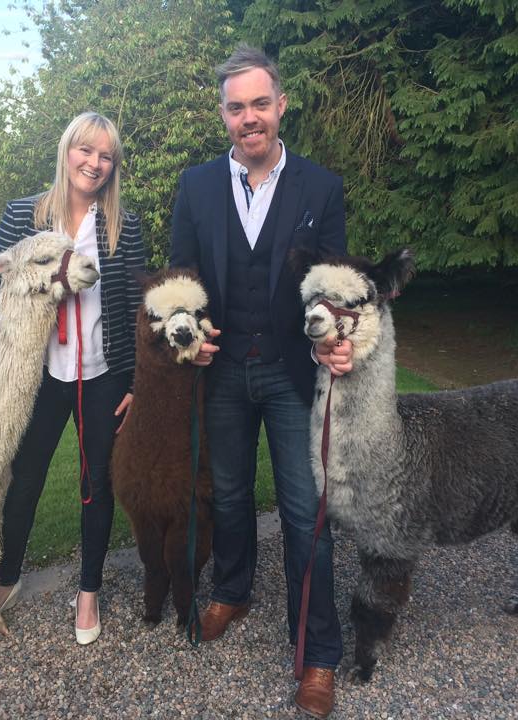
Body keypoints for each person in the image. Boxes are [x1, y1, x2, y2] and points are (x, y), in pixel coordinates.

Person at [169, 46, 353, 718]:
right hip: (220, 371)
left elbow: (334, 284)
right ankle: (232, 589)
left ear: (281, 106)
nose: (249, 117)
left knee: (306, 514)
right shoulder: (195, 187)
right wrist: (188, 331)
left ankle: (319, 651)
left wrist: (338, 336)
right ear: (223, 114)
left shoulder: (320, 187)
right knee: (228, 494)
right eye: (236, 107)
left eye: (259, 104)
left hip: (290, 373)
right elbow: (181, 279)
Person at [0, 111, 146, 645]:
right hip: (40, 375)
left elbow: (139, 309)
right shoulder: (24, 215)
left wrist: (136, 385)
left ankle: (89, 591)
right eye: (85, 150)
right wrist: (36, 294)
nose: (94, 163)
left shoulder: (123, 226)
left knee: (97, 482)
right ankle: (6, 578)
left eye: (106, 156)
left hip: (103, 375)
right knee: (24, 477)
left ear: (113, 165)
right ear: (67, 151)